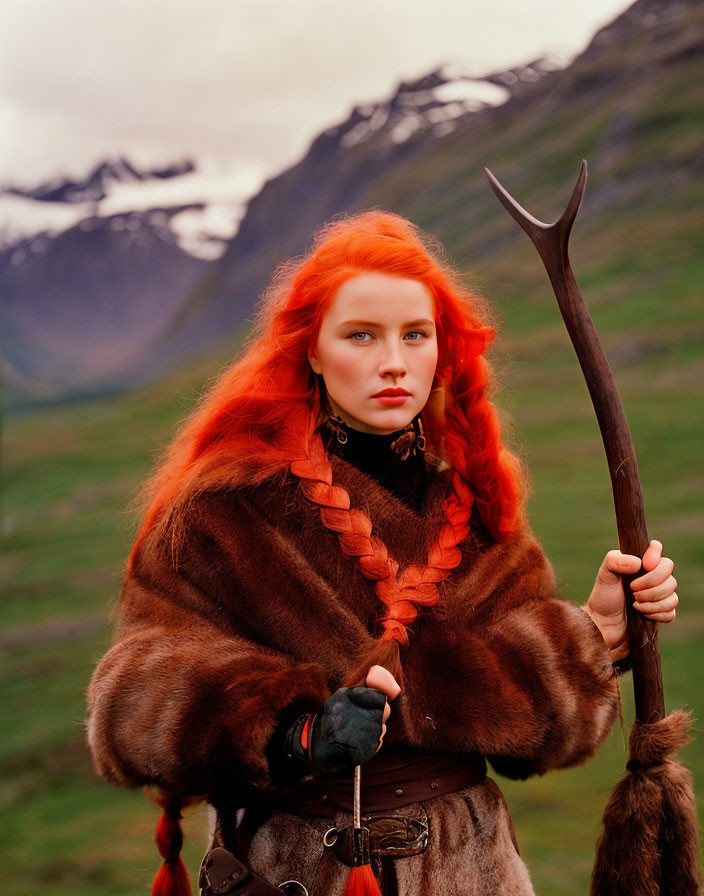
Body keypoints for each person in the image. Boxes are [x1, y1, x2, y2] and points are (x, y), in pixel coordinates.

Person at [86, 210, 678, 896]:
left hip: (472, 869)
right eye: (361, 335)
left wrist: (597, 633)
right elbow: (127, 698)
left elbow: (550, 743)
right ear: (311, 349)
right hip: (293, 866)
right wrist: (297, 732)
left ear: (441, 349)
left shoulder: (481, 517)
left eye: (415, 335)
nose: (393, 362)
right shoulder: (221, 512)